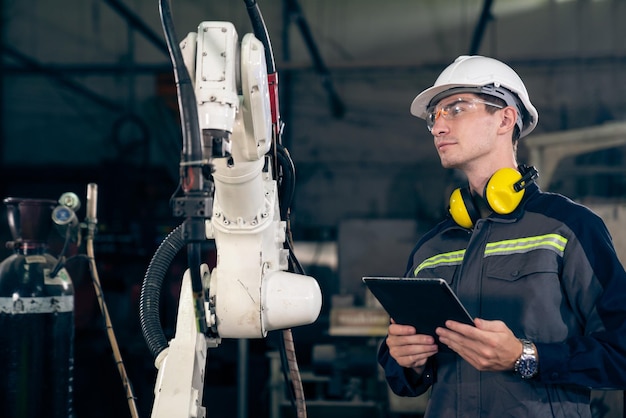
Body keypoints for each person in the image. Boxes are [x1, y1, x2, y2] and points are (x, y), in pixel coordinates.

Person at [377, 55, 626, 417]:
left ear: (505, 118)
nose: (437, 128)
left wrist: (526, 356)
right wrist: (406, 359)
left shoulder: (568, 229)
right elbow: (402, 378)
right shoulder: (432, 247)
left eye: (456, 109)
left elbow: (620, 351)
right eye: (435, 116)